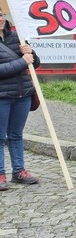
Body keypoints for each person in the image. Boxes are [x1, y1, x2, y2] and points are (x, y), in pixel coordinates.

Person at [0, 11, 40, 189]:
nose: (0, 19)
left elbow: (34, 62)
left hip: (22, 94)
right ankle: (0, 175)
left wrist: (30, 52)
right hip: (2, 97)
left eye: (1, 15)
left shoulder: (17, 37)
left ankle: (19, 171)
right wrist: (23, 61)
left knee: (16, 135)